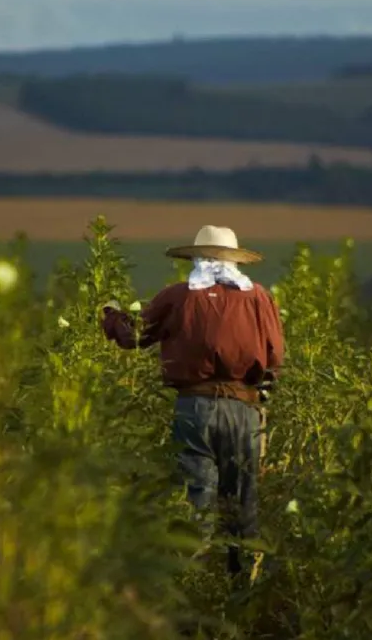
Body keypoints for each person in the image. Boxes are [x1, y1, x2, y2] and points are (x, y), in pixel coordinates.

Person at [101, 225, 285, 578]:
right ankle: (243, 588)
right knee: (242, 500)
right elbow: (275, 356)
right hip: (243, 408)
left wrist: (111, 314)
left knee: (196, 500)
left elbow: (134, 335)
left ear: (197, 258)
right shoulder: (259, 297)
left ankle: (192, 586)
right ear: (234, 260)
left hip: (194, 408)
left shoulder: (179, 296)